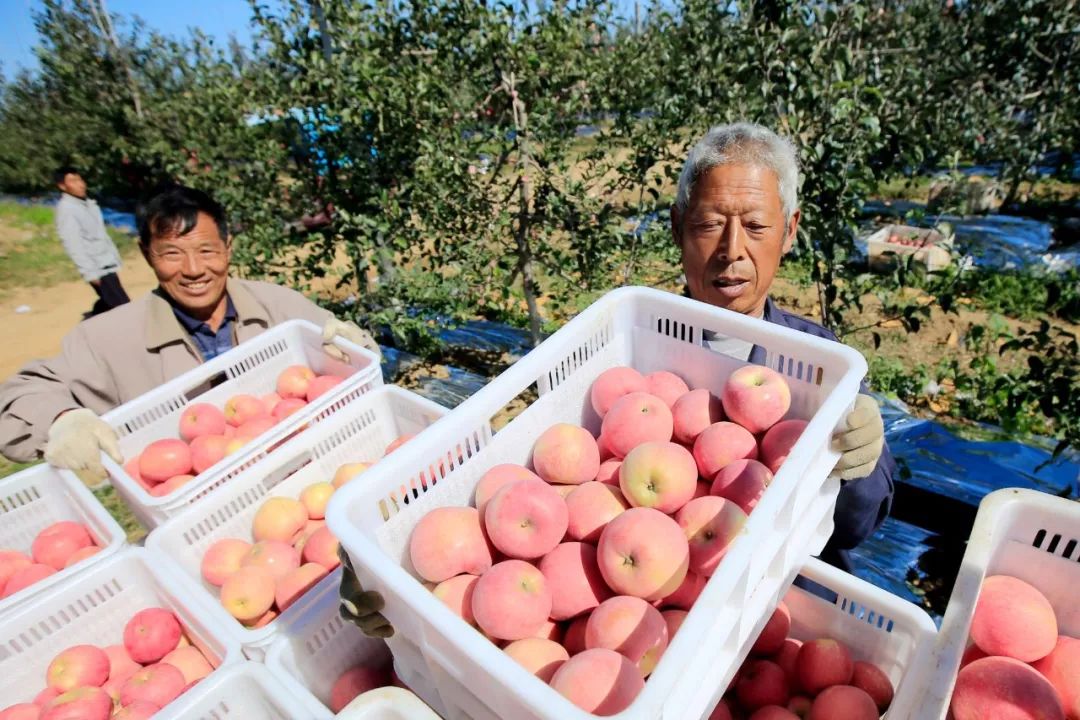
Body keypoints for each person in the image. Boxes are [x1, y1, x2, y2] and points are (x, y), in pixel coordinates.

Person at [337, 122, 895, 639]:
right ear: (677, 228)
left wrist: (861, 463)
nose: (732, 250)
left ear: (789, 232)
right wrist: (391, 571)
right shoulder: (628, 359)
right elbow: (513, 489)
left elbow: (855, 527)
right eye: (706, 224)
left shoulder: (819, 363)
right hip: (654, 617)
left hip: (772, 609)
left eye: (755, 226)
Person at [0, 184, 380, 479]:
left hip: (308, 477)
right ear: (147, 253)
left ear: (228, 248)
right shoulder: (107, 339)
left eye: (207, 251)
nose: (194, 269)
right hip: (198, 513)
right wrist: (62, 419)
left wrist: (354, 345)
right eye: (172, 253)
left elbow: (356, 358)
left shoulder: (277, 306)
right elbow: (19, 399)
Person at [53, 166, 131, 318]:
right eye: (73, 181)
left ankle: (95, 317)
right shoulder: (67, 210)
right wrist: (89, 273)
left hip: (106, 261)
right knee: (123, 307)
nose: (80, 184)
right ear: (62, 186)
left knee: (111, 302)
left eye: (80, 179)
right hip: (97, 267)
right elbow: (73, 244)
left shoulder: (88, 204)